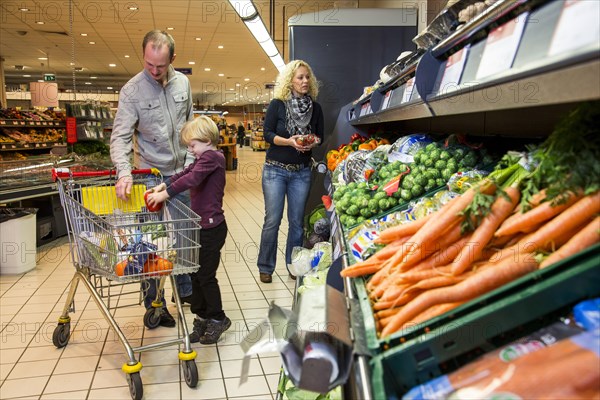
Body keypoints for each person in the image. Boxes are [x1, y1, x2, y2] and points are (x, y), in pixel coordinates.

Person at [110, 30, 193, 328]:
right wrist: (124, 172)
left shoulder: (183, 82)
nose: (155, 71)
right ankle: (154, 303)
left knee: (185, 237)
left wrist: (193, 164)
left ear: (172, 58)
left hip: (181, 174)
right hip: (148, 176)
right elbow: (119, 138)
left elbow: (191, 127)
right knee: (150, 244)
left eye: (160, 65)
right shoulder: (132, 91)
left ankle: (184, 292)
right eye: (149, 64)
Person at [145, 116, 231, 344]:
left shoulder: (213, 157)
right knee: (194, 273)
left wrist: (165, 194)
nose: (191, 150)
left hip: (212, 229)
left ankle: (218, 318)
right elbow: (185, 173)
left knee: (205, 275)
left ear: (206, 139)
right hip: (200, 227)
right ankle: (201, 317)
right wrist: (166, 183)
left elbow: (192, 178)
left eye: (192, 145)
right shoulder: (202, 157)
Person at [257, 60, 324, 283]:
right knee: (272, 221)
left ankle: (293, 265)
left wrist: (310, 142)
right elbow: (267, 134)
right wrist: (288, 141)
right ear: (290, 81)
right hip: (275, 170)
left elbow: (319, 136)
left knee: (296, 222)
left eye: (307, 77)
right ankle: (266, 267)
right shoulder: (278, 104)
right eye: (300, 77)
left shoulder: (316, 108)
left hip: (301, 172)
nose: (304, 81)